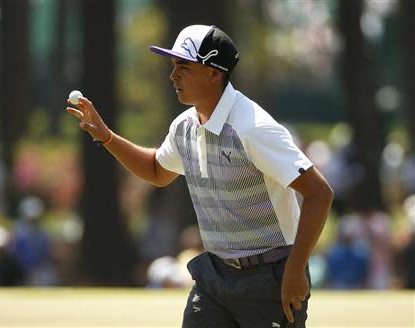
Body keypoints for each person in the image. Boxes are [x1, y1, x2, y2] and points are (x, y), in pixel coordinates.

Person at [66, 25, 333, 327]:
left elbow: (319, 193)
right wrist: (107, 137)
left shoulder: (252, 127)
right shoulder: (185, 127)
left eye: (184, 66)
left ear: (214, 72)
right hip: (214, 276)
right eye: (173, 66)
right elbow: (157, 170)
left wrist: (296, 270)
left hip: (270, 276)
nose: (173, 76)